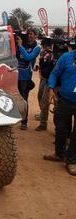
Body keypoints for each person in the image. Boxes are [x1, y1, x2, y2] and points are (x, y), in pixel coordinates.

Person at [45, 41, 76, 176]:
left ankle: (71, 161)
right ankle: (59, 153)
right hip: (64, 100)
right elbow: (54, 74)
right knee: (61, 129)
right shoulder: (66, 58)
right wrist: (51, 88)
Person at [16, 28, 41, 130]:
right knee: (15, 98)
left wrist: (21, 46)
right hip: (16, 74)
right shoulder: (22, 44)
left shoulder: (37, 47)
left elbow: (28, 57)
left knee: (24, 99)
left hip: (25, 78)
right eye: (28, 34)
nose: (29, 36)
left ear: (36, 36)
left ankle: (24, 122)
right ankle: (16, 117)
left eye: (32, 34)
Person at [35, 36, 54, 131]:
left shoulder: (51, 55)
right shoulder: (45, 54)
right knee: (39, 96)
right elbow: (44, 66)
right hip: (43, 77)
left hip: (49, 80)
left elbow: (49, 67)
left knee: (44, 100)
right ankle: (42, 114)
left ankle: (43, 123)